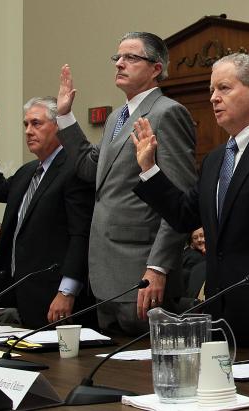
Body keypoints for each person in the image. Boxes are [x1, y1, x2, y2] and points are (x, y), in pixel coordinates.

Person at [132, 53, 249, 352]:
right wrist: (149, 169)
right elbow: (183, 216)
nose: (213, 99)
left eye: (224, 88)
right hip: (219, 312)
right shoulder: (216, 159)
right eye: (211, 91)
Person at [56, 32, 198, 334]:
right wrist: (65, 116)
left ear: (156, 68)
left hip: (143, 274)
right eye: (117, 57)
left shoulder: (167, 113)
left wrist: (158, 268)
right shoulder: (116, 118)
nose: (120, 64)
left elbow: (179, 199)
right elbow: (88, 167)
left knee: (144, 373)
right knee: (112, 370)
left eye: (131, 57)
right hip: (105, 274)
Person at [0, 98, 95, 328]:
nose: (28, 131)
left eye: (36, 124)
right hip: (20, 292)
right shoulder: (28, 171)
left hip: (55, 294)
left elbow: (81, 235)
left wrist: (67, 291)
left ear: (58, 126)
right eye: (25, 124)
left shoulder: (74, 170)